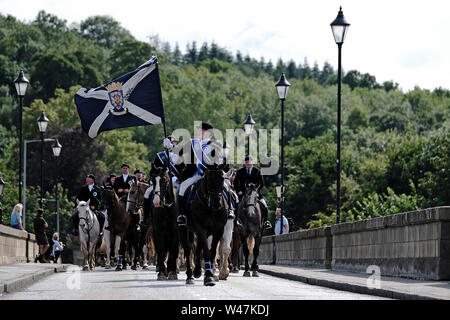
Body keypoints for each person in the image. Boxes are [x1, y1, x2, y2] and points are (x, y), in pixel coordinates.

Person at [234, 155, 272, 229]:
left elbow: (262, 184)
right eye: (247, 162)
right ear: (245, 163)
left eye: (250, 162)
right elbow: (235, 183)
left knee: (264, 205)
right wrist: (238, 191)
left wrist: (257, 191)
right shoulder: (240, 172)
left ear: (253, 162)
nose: (248, 163)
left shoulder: (258, 171)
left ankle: (266, 221)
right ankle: (236, 220)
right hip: (243, 193)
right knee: (235, 204)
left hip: (255, 193)